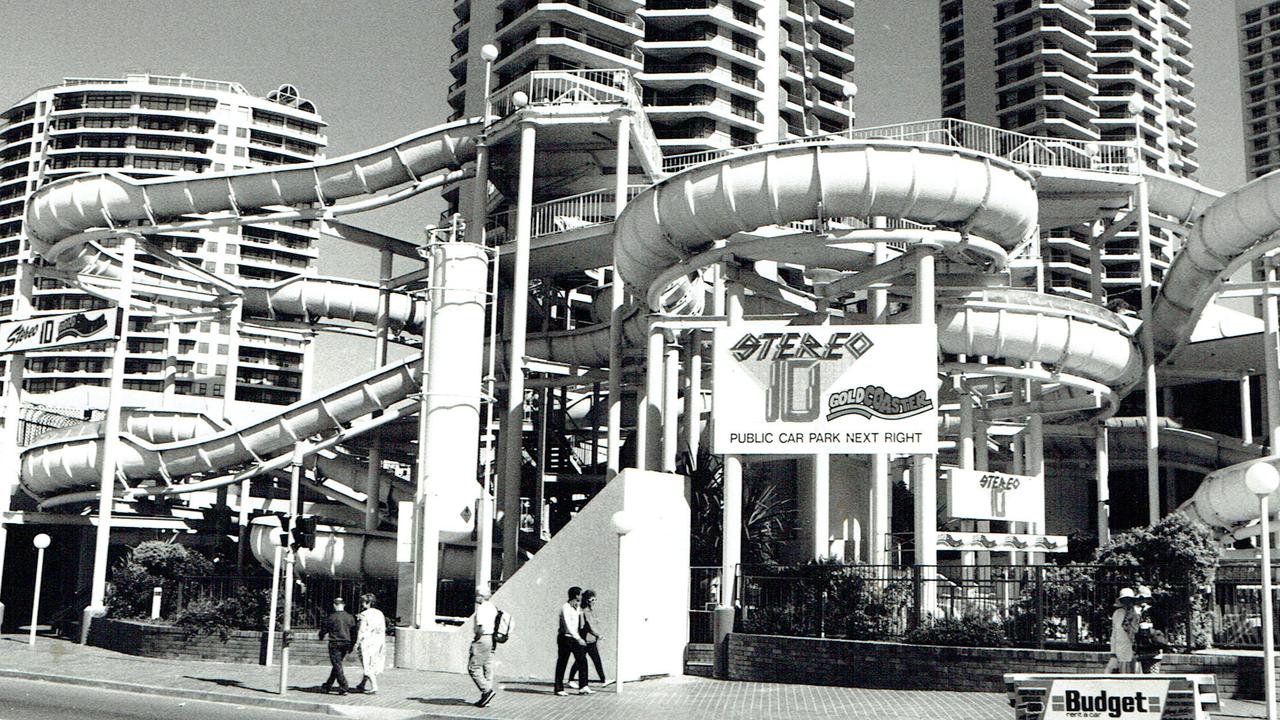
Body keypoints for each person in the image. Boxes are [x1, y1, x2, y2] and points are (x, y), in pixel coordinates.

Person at [553, 586, 591, 696]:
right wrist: (579, 639)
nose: (581, 596)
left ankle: (583, 686)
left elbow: (579, 621)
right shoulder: (565, 607)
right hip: (565, 638)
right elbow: (568, 626)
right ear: (576, 595)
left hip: (575, 637)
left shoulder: (576, 607)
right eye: (580, 594)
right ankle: (559, 688)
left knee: (582, 660)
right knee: (562, 662)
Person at [318, 596, 357, 695]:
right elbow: (354, 633)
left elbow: (324, 629)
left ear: (334, 605)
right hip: (346, 643)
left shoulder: (331, 617)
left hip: (335, 643)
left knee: (337, 664)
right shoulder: (350, 617)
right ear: (343, 605)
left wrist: (321, 636)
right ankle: (327, 685)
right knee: (337, 664)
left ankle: (344, 686)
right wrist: (352, 644)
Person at [569, 589, 608, 686]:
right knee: (583, 661)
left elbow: (594, 624)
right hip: (586, 640)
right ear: (587, 600)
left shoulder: (592, 611)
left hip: (591, 640)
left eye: (595, 599)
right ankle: (603, 679)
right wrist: (598, 635)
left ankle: (603, 679)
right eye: (592, 600)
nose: (594, 602)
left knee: (592, 660)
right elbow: (588, 626)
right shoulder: (584, 612)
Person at [1131, 585, 1175, 673]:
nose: (1142, 601)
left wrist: (1150, 628)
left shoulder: (1155, 611)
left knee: (1152, 675)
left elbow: (1163, 626)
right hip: (1143, 649)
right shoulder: (1138, 612)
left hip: (1154, 649)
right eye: (1140, 599)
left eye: (1144, 599)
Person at [469, 587, 499, 707]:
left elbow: (480, 626)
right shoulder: (492, 607)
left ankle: (487, 691)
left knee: (473, 667)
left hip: (482, 639)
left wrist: (477, 637)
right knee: (487, 666)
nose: (475, 597)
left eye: (477, 595)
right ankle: (487, 695)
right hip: (491, 639)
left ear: (481, 596)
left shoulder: (481, 608)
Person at [354, 593, 386, 695]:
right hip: (378, 641)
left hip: (367, 642)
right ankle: (362, 684)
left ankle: (374, 686)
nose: (362, 604)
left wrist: (357, 642)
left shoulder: (364, 614)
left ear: (368, 603)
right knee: (372, 663)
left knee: (367, 663)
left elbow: (362, 630)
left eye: (363, 602)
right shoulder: (379, 613)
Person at [1104, 587, 1140, 674]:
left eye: (1129, 599)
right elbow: (1114, 634)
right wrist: (1113, 652)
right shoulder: (1117, 613)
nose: (1127, 602)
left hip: (1133, 651)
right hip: (1119, 651)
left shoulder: (1137, 613)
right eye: (1124, 600)